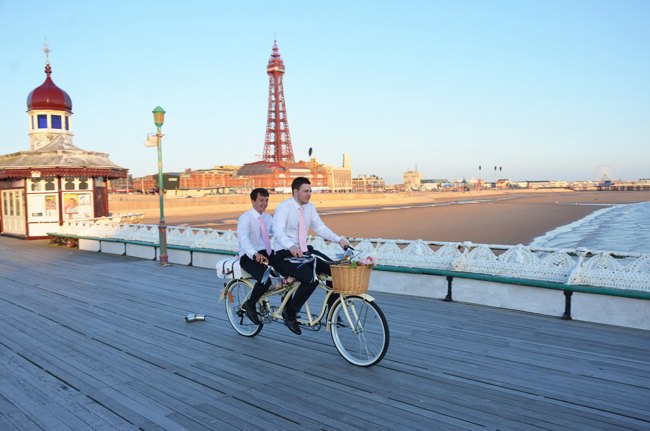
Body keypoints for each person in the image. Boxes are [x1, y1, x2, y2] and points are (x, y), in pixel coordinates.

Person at [271, 177, 350, 335]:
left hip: (304, 251)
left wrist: (339, 239)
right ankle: (290, 313)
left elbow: (320, 227)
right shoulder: (283, 208)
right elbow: (278, 231)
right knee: (310, 278)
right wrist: (291, 246)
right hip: (283, 254)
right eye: (306, 191)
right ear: (295, 192)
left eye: (310, 191)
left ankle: (333, 311)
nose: (309, 194)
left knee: (334, 271)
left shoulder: (310, 208)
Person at [237, 188, 274, 325]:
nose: (264, 203)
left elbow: (278, 233)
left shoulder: (268, 218)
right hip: (248, 256)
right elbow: (243, 239)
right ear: (253, 201)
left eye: (266, 200)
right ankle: (250, 304)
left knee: (289, 270)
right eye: (261, 200)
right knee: (265, 280)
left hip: (265, 253)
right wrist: (254, 253)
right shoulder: (245, 218)